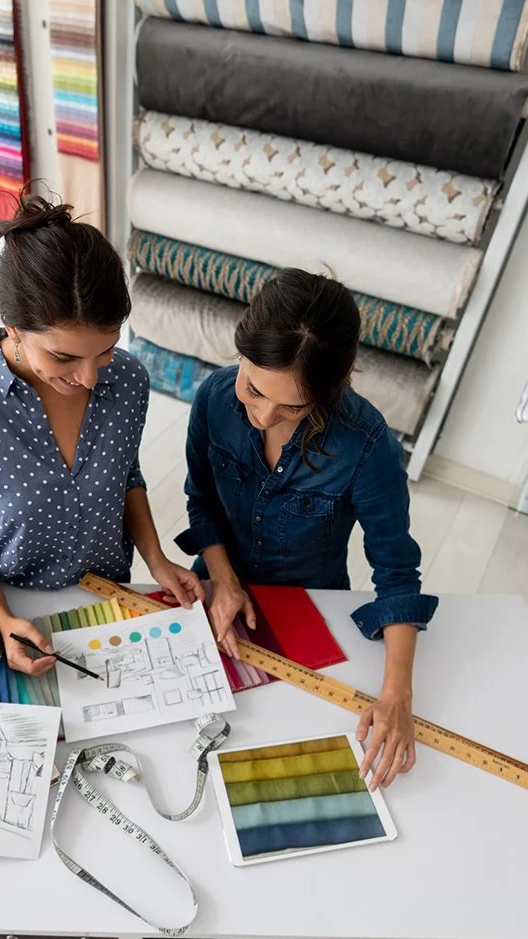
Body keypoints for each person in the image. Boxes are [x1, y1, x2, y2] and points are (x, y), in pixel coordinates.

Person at [0, 195, 203, 675]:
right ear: (15, 331)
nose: (91, 378)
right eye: (65, 358)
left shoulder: (128, 379)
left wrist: (156, 559)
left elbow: (126, 475)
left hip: (111, 594)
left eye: (106, 351)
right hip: (14, 605)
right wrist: (4, 620)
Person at [178, 269, 438, 790]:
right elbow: (201, 500)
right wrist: (224, 582)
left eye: (293, 406)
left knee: (288, 747)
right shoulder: (212, 399)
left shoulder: (365, 446)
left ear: (331, 386)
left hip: (312, 609)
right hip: (214, 591)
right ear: (241, 351)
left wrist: (396, 697)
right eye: (253, 389)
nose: (263, 416)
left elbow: (396, 572)